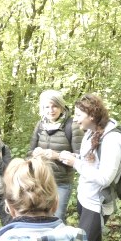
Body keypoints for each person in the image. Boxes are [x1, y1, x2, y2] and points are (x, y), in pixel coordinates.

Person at [59, 94, 121, 241]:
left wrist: (76, 163)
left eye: (79, 115)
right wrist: (76, 158)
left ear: (92, 115)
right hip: (85, 198)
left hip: (96, 205)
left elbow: (105, 178)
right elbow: (92, 161)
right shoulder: (90, 131)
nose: (75, 119)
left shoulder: (112, 140)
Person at [29, 90, 83, 223]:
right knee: (40, 218)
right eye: (47, 107)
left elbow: (81, 158)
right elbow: (29, 153)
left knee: (56, 219)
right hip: (40, 181)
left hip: (62, 183)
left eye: (55, 106)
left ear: (61, 107)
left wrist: (58, 156)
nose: (51, 110)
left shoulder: (72, 126)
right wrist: (35, 154)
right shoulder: (40, 125)